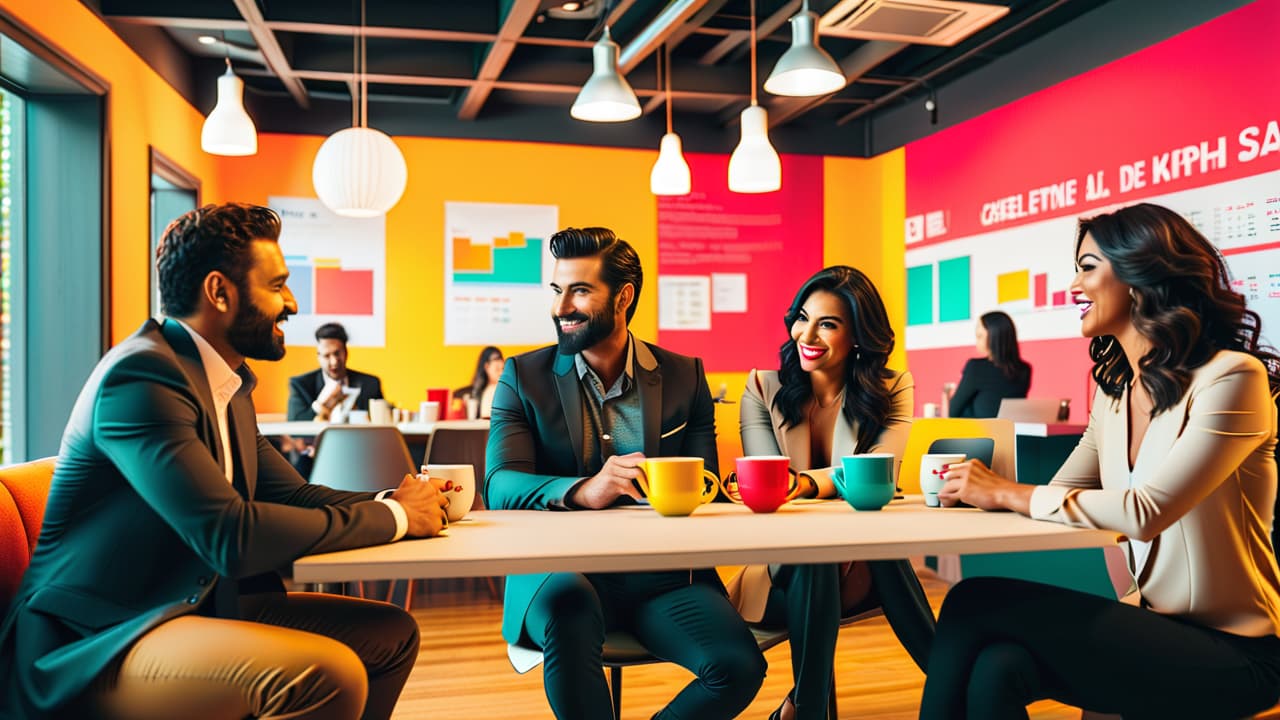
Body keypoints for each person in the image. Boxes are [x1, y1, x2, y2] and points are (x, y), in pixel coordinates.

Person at [0, 203, 449, 720]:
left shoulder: (226, 383)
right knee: (327, 674)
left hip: (190, 605)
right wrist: (395, 518)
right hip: (98, 637)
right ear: (219, 292)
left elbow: (293, 494)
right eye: (277, 285)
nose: (292, 303)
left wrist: (399, 500)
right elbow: (229, 536)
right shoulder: (142, 378)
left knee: (390, 633)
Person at [923, 202, 1280, 720]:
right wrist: (967, 494)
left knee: (970, 601)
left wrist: (1002, 490)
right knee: (997, 667)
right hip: (1158, 626)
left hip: (1240, 651)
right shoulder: (1114, 396)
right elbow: (1063, 492)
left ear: (1141, 274)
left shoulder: (1232, 378)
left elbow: (1145, 511)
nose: (1072, 285)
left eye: (1087, 268)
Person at [484, 226, 766, 719]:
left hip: (664, 580)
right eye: (557, 290)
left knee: (739, 666)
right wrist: (582, 491)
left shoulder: (685, 376)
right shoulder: (522, 377)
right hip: (560, 572)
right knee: (571, 610)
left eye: (579, 291)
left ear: (624, 297)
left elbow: (706, 488)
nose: (560, 306)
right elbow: (500, 484)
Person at [732, 265, 935, 720]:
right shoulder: (762, 388)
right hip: (779, 571)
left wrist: (804, 483)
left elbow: (878, 475)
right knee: (820, 553)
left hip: (859, 569)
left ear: (859, 336)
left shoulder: (892, 388)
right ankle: (948, 679)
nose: (809, 333)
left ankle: (804, 709)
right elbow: (769, 487)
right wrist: (814, 488)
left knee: (862, 550)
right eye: (803, 317)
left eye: (829, 323)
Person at [287, 322, 384, 422]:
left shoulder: (371, 383)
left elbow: (382, 422)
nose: (334, 362)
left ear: (346, 353)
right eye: (326, 356)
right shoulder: (300, 384)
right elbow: (294, 426)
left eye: (337, 354)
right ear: (318, 357)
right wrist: (323, 405)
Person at [948, 310, 1031, 418]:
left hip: (978, 433)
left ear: (994, 338)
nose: (976, 342)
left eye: (979, 336)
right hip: (1009, 434)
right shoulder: (1025, 370)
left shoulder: (975, 368)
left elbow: (953, 412)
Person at [453, 345, 504, 419]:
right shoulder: (471, 393)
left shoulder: (506, 390)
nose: (501, 373)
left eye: (503, 369)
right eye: (497, 369)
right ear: (486, 367)